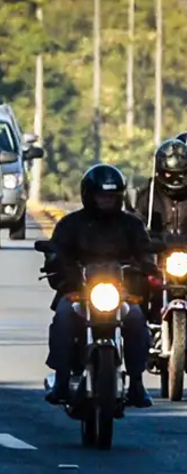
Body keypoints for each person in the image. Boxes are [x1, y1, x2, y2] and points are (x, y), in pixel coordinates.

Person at [44, 164, 156, 408]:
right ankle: (61, 380)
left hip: (120, 293)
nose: (106, 201)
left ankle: (136, 382)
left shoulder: (132, 225)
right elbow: (56, 254)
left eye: (111, 197)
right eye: (102, 196)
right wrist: (63, 273)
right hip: (79, 292)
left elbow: (145, 252)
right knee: (63, 317)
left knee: (137, 320)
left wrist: (146, 267)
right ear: (89, 195)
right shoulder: (71, 224)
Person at [133, 138, 187, 236]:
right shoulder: (147, 195)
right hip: (157, 248)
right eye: (169, 174)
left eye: (180, 174)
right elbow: (135, 224)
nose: (175, 180)